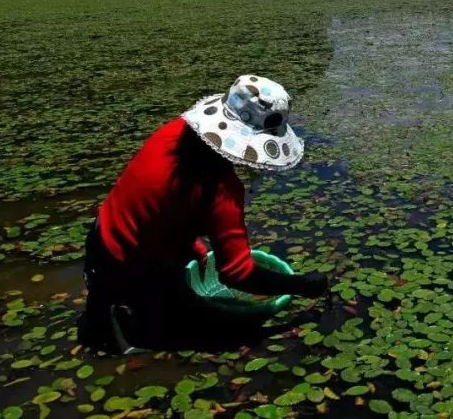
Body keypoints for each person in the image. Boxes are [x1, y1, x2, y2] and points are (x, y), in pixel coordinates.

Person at [79, 75, 328, 353]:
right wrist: (301, 284)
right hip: (132, 266)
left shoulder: (174, 131)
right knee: (140, 338)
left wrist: (188, 244)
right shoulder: (221, 192)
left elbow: (156, 204)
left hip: (101, 239)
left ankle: (103, 335)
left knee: (102, 325)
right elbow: (238, 275)